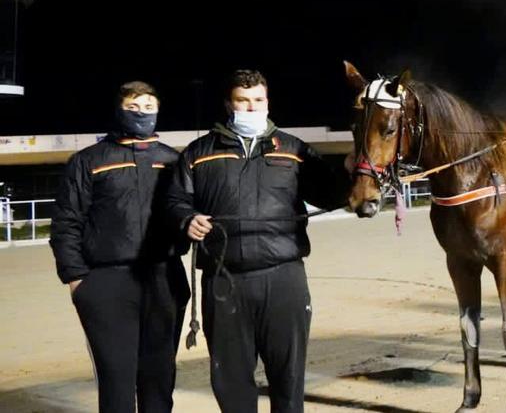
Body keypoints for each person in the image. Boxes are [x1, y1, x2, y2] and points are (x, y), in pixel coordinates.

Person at [167, 69, 349, 412]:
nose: (251, 108)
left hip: (283, 278)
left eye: (258, 101)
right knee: (231, 380)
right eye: (242, 101)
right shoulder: (199, 152)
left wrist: (355, 168)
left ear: (268, 102)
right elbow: (176, 200)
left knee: (288, 376)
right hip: (224, 281)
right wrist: (186, 219)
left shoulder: (294, 150)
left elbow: (333, 192)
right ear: (228, 104)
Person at [50, 81, 188, 412]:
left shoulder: (173, 161)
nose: (142, 114)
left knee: (159, 376)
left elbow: (186, 215)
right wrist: (77, 279)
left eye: (149, 107)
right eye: (133, 107)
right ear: (118, 110)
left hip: (164, 278)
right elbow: (66, 223)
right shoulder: (88, 161)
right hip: (105, 282)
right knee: (116, 379)